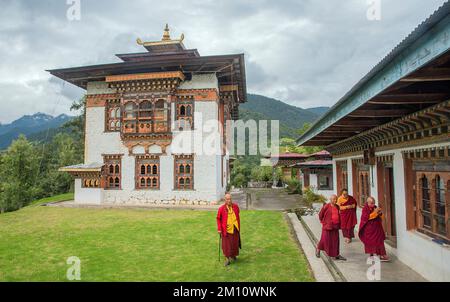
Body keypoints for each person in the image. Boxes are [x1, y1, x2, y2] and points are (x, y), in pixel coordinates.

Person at [358, 197, 390, 262]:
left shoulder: (375, 207)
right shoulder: (365, 209)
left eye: (374, 203)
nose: (373, 205)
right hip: (369, 228)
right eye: (372, 203)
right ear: (368, 203)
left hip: (377, 227)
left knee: (380, 241)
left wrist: (380, 212)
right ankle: (371, 255)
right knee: (370, 242)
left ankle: (382, 254)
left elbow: (380, 216)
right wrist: (375, 212)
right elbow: (367, 218)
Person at [316, 195, 347, 261]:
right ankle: (318, 249)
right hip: (327, 226)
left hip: (335, 226)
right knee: (324, 239)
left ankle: (336, 255)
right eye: (333, 199)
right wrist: (323, 222)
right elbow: (321, 215)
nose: (335, 201)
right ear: (330, 200)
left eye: (336, 199)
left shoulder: (337, 206)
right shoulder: (326, 206)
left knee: (335, 240)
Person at [216, 193, 241, 266]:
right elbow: (218, 219)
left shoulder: (236, 207)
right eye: (227, 199)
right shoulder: (221, 209)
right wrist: (219, 229)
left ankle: (233, 256)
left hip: (235, 228)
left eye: (230, 199)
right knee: (226, 245)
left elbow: (237, 214)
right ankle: (227, 259)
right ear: (225, 200)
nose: (229, 200)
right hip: (226, 230)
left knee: (234, 243)